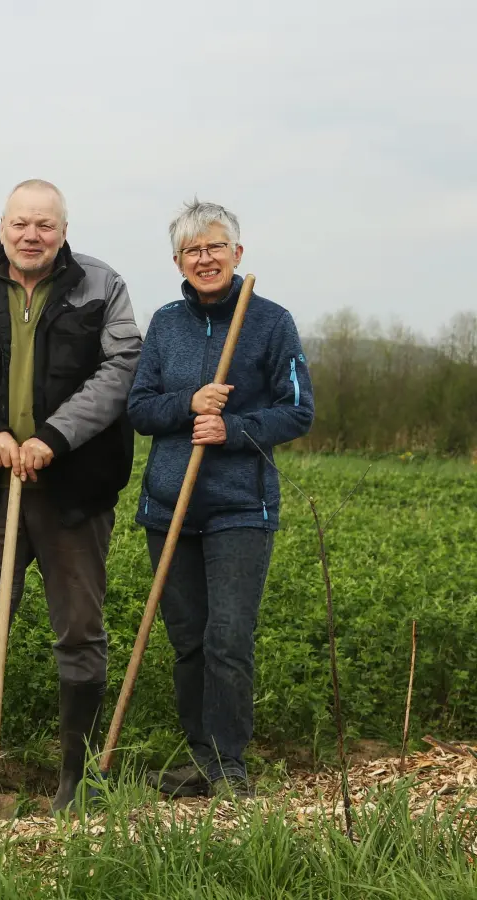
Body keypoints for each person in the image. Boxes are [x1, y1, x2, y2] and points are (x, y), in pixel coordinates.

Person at [0, 179, 141, 812]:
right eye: (21, 223)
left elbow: (120, 368)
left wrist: (54, 437)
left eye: (45, 225)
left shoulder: (103, 285)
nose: (31, 235)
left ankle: (77, 777)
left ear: (63, 231)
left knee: (79, 631)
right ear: (2, 226)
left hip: (74, 490)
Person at [128, 200, 314, 800]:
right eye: (192, 250)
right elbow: (139, 408)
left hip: (240, 507)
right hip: (170, 508)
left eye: (214, 247)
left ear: (237, 252)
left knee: (228, 639)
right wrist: (189, 404)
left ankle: (229, 766)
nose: (204, 258)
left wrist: (231, 429)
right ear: (177, 261)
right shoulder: (165, 324)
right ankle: (200, 759)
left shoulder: (271, 321)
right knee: (188, 642)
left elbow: (298, 411)